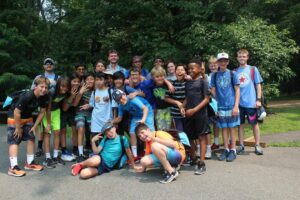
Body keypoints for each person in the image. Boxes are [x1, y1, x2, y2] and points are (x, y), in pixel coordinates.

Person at [7, 76, 50, 177]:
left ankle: (30, 163)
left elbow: (42, 112)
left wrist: (34, 126)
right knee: (15, 139)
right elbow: (16, 112)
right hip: (14, 117)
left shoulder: (45, 97)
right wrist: (18, 128)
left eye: (46, 87)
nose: (44, 89)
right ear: (35, 86)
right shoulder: (27, 95)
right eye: (41, 86)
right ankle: (13, 167)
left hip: (28, 118)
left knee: (31, 137)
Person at [71, 123, 139, 179]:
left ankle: (83, 165)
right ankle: (80, 165)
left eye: (110, 130)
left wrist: (133, 165)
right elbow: (96, 152)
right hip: (100, 158)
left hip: (107, 167)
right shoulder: (105, 139)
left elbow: (129, 152)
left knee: (83, 174)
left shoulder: (123, 139)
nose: (109, 133)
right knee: (95, 161)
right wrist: (93, 141)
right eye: (106, 132)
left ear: (114, 128)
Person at [181, 58, 210, 175]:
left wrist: (194, 110)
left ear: (199, 69)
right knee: (189, 137)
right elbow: (188, 97)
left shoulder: (204, 82)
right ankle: (193, 159)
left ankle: (201, 163)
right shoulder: (187, 83)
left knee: (201, 137)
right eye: (189, 68)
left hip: (200, 114)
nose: (190, 70)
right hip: (189, 114)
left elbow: (206, 99)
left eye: (193, 68)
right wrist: (183, 107)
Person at [211, 52, 240, 162]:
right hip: (220, 107)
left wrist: (236, 106)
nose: (223, 62)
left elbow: (237, 90)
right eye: (220, 61)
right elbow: (213, 91)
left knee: (232, 128)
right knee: (223, 128)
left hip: (231, 105)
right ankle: (226, 149)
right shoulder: (214, 75)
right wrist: (215, 107)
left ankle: (233, 150)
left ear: (228, 62)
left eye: (225, 60)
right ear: (217, 62)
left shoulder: (233, 74)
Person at [235, 49, 264, 155]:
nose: (242, 58)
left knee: (254, 124)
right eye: (240, 56)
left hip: (251, 103)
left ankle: (257, 145)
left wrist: (258, 100)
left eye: (244, 56)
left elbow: (258, 85)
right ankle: (241, 145)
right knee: (240, 125)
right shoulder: (234, 71)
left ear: (247, 57)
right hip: (239, 104)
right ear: (237, 58)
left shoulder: (253, 69)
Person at [112, 89, 155, 159]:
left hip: (147, 112)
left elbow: (145, 109)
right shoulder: (120, 106)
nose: (121, 100)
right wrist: (111, 122)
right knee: (132, 132)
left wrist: (143, 120)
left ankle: (153, 151)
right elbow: (119, 118)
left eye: (121, 97)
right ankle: (135, 156)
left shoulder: (132, 99)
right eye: (118, 100)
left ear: (124, 94)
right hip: (136, 116)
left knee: (150, 131)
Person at [42, 76, 71, 168]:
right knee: (47, 133)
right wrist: (49, 123)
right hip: (47, 112)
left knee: (57, 132)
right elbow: (48, 108)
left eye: (66, 86)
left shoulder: (66, 93)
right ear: (58, 85)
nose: (64, 88)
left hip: (56, 111)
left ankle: (55, 156)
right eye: (62, 86)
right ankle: (47, 158)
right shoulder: (52, 92)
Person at [33, 58, 59, 157]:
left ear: (54, 65)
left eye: (51, 63)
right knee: (42, 127)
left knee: (56, 129)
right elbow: (33, 90)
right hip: (42, 104)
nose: (49, 64)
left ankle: (57, 148)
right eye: (46, 63)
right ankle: (40, 146)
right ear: (43, 66)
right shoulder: (39, 77)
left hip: (55, 106)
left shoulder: (58, 77)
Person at [73, 72, 95, 162]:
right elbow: (74, 104)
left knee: (92, 128)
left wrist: (90, 105)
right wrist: (80, 92)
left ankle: (94, 152)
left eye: (91, 79)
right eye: (87, 79)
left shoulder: (96, 90)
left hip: (91, 114)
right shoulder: (81, 89)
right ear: (84, 81)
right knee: (81, 126)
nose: (89, 81)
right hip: (80, 113)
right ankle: (81, 153)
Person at [60, 73, 81, 159]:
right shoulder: (66, 89)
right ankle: (64, 148)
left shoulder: (79, 90)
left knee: (74, 129)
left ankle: (75, 148)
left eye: (78, 81)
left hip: (72, 111)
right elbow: (64, 108)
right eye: (74, 81)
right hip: (62, 110)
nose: (76, 83)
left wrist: (79, 93)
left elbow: (75, 104)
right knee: (63, 129)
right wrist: (72, 96)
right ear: (70, 82)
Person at [165, 64, 187, 132]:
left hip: (187, 110)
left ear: (185, 72)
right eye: (178, 70)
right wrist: (176, 102)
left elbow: (189, 96)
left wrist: (182, 106)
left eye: (182, 70)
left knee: (189, 131)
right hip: (175, 112)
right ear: (175, 72)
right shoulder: (172, 84)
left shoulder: (188, 83)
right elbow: (166, 98)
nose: (179, 71)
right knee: (180, 131)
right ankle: (182, 142)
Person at [207, 57, 220, 151]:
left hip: (219, 102)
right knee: (209, 124)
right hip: (210, 104)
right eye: (211, 64)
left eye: (215, 64)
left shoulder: (221, 75)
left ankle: (217, 142)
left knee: (219, 124)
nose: (213, 65)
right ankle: (211, 143)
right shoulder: (207, 76)